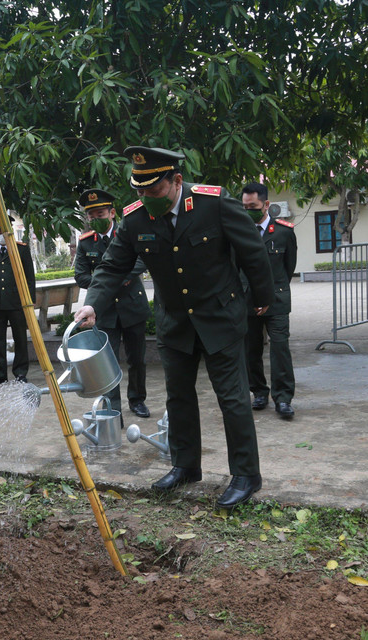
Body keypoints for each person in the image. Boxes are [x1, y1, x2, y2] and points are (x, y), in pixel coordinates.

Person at [74, 146, 274, 508]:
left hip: (220, 318)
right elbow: (113, 266)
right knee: (178, 398)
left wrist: (262, 298)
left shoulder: (214, 203)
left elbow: (252, 253)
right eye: (140, 191)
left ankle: (246, 474)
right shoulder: (136, 218)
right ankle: (185, 466)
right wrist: (92, 303)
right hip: (175, 322)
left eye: (154, 190)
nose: (146, 198)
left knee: (232, 399)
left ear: (176, 180)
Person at [74, 188, 151, 419]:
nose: (95, 219)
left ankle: (137, 400)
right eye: (91, 216)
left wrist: (116, 279)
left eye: (100, 214)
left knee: (137, 359)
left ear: (112, 213)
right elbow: (81, 276)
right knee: (108, 362)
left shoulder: (127, 233)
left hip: (132, 306)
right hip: (105, 311)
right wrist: (106, 283)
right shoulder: (86, 243)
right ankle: (112, 407)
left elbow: (142, 260)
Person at [240, 183, 298, 419]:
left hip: (277, 299)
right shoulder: (239, 231)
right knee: (251, 350)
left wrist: (273, 290)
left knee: (280, 348)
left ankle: (283, 398)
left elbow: (288, 267)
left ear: (266, 205)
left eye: (252, 206)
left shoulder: (284, 232)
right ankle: (259, 392)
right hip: (248, 300)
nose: (248, 211)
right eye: (244, 207)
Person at [0, 219, 36, 385]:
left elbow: (29, 277)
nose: (1, 234)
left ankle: (20, 373)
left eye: (3, 230)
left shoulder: (21, 249)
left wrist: (30, 300)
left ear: (9, 230)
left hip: (17, 302)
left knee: (20, 338)